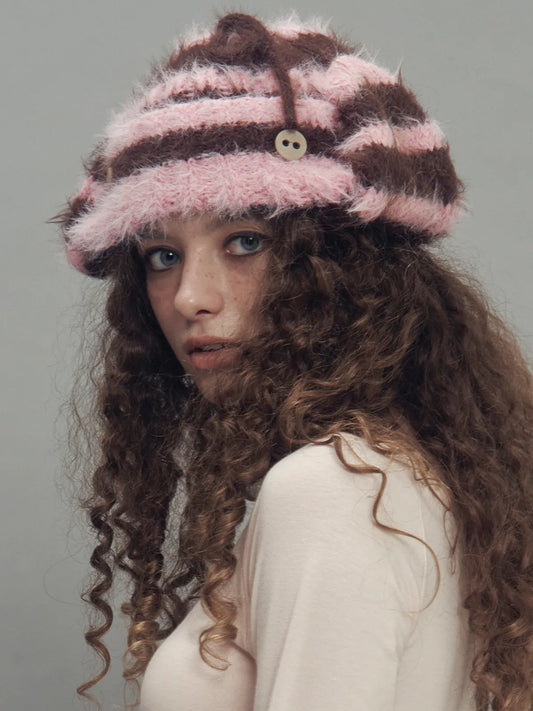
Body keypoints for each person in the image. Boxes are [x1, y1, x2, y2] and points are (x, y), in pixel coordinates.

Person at [56, 11, 533, 711]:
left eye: (245, 241)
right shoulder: (406, 471)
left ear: (347, 264)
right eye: (161, 255)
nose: (189, 297)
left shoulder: (334, 489)